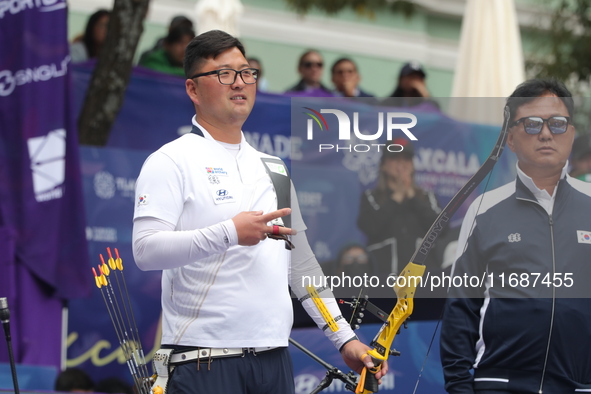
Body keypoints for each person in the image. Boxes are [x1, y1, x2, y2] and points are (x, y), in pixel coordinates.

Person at [132, 29, 386, 393]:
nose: (239, 83)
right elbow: (145, 250)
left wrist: (345, 339)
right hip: (202, 361)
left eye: (246, 72)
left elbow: (301, 266)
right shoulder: (170, 160)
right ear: (193, 89)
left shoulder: (274, 168)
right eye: (224, 73)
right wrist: (230, 232)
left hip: (273, 360)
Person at [440, 79, 591, 393]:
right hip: (498, 385)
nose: (547, 133)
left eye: (558, 124)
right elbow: (461, 308)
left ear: (571, 134)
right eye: (532, 124)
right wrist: (459, 387)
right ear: (510, 138)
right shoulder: (484, 209)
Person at [357, 138, 441, 277]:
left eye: (406, 159)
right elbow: (370, 226)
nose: (401, 164)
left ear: (413, 165)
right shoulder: (371, 196)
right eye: (395, 158)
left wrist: (412, 196)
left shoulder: (427, 196)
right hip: (384, 277)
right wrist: (398, 196)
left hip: (423, 279)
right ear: (383, 165)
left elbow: (441, 229)